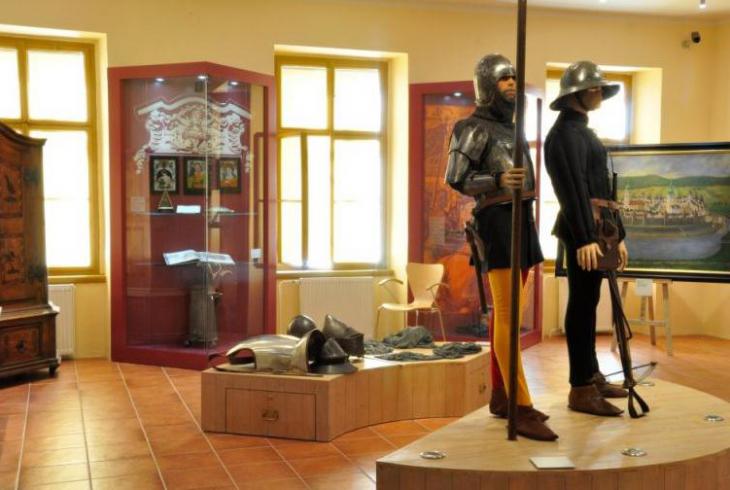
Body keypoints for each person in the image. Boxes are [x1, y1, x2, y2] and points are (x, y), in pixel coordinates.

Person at [445, 53, 557, 441]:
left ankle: (502, 395)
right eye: (504, 78)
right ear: (487, 85)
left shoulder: (513, 129)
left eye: (513, 77)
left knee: (510, 314)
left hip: (521, 220)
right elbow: (457, 177)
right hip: (497, 222)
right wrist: (496, 180)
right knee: (508, 315)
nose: (511, 83)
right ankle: (520, 405)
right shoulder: (472, 127)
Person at [544, 60, 630, 417]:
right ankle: (580, 387)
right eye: (593, 88)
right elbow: (573, 191)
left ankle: (591, 375)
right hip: (583, 232)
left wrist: (617, 235)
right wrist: (583, 238)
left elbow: (601, 189)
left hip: (596, 231)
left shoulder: (582, 131)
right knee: (581, 305)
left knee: (588, 302)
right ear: (576, 93)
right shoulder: (564, 135)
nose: (599, 93)